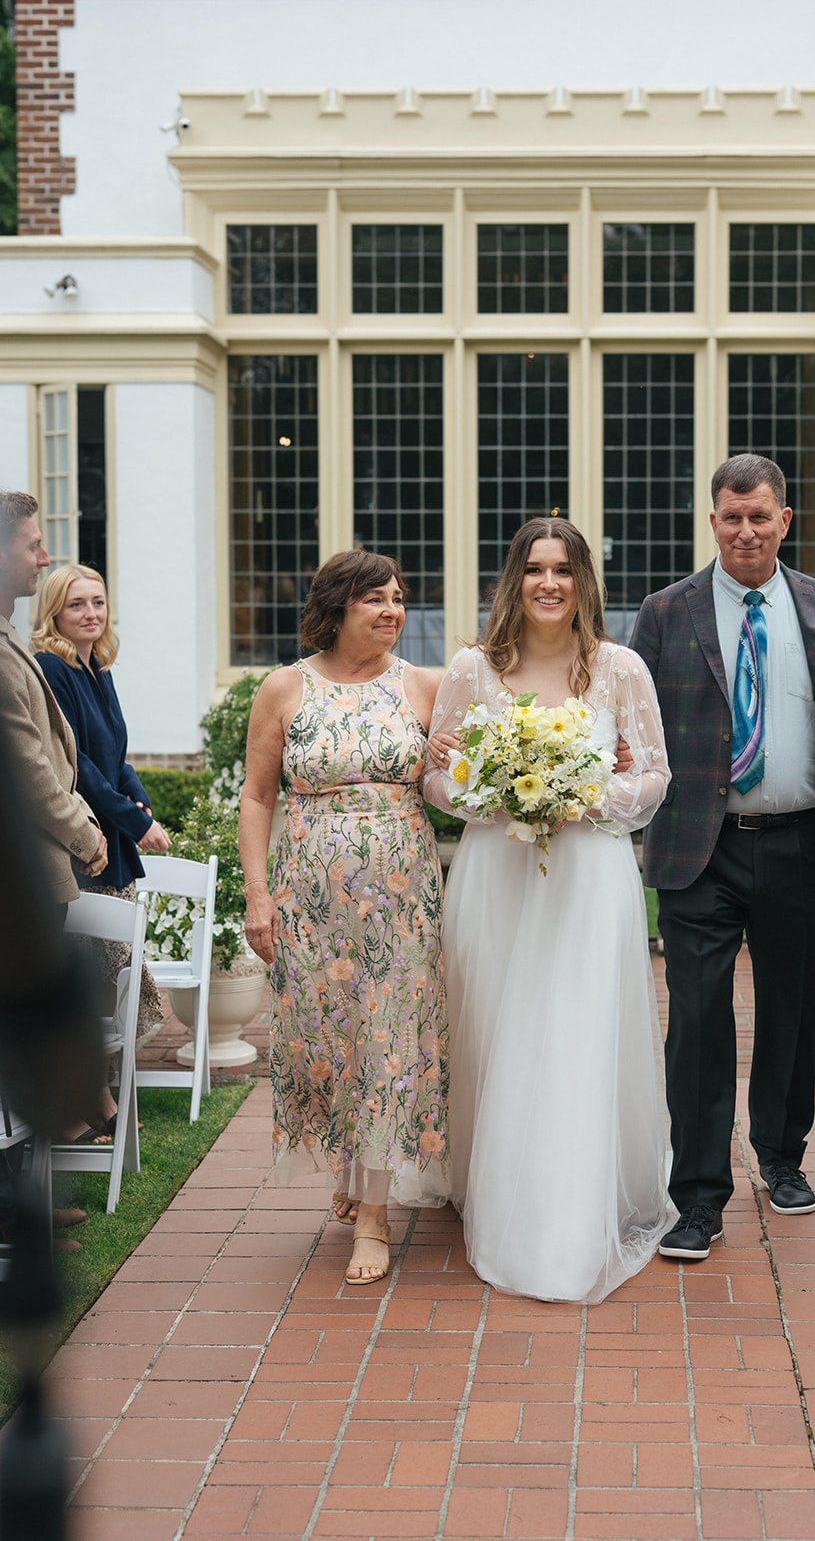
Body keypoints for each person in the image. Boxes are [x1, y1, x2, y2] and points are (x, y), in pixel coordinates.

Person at [632, 454, 815, 1259]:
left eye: (759, 516)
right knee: (700, 1021)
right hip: (697, 849)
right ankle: (699, 1196)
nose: (744, 530)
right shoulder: (665, 612)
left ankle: (781, 1157)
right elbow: (634, 726)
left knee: (792, 1011)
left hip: (796, 843)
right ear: (711, 521)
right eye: (729, 516)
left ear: (784, 520)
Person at [422, 516, 672, 1305]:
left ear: (584, 580)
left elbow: (654, 776)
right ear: (514, 580)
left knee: (572, 1030)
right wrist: (493, 790)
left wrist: (582, 794)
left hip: (588, 874)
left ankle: (566, 1210)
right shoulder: (472, 668)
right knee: (494, 1025)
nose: (549, 583)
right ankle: (485, 1183)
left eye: (563, 569)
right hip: (497, 870)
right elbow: (436, 778)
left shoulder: (620, 669)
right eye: (534, 569)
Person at [239, 549, 449, 1286]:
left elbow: (462, 782)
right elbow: (258, 797)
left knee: (390, 1037)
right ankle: (351, 1167)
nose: (392, 611)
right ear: (337, 607)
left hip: (402, 901)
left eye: (397, 598)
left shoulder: (425, 687)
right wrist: (258, 894)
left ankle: (374, 1213)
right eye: (375, 600)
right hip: (311, 901)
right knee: (327, 1037)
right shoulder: (283, 688)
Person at [33, 564, 171, 1059]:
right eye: (76, 604)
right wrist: (138, 823)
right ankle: (91, 1098)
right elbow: (78, 766)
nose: (90, 613)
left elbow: (114, 755)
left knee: (115, 972)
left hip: (109, 838)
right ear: (54, 613)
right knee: (98, 971)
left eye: (97, 601)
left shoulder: (98, 669)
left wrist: (140, 798)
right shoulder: (51, 669)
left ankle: (107, 1089)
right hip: (80, 844)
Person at [0, 493, 107, 904]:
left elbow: (58, 756)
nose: (45, 559)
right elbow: (29, 770)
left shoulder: (11, 637)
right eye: (32, 547)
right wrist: (86, 836)